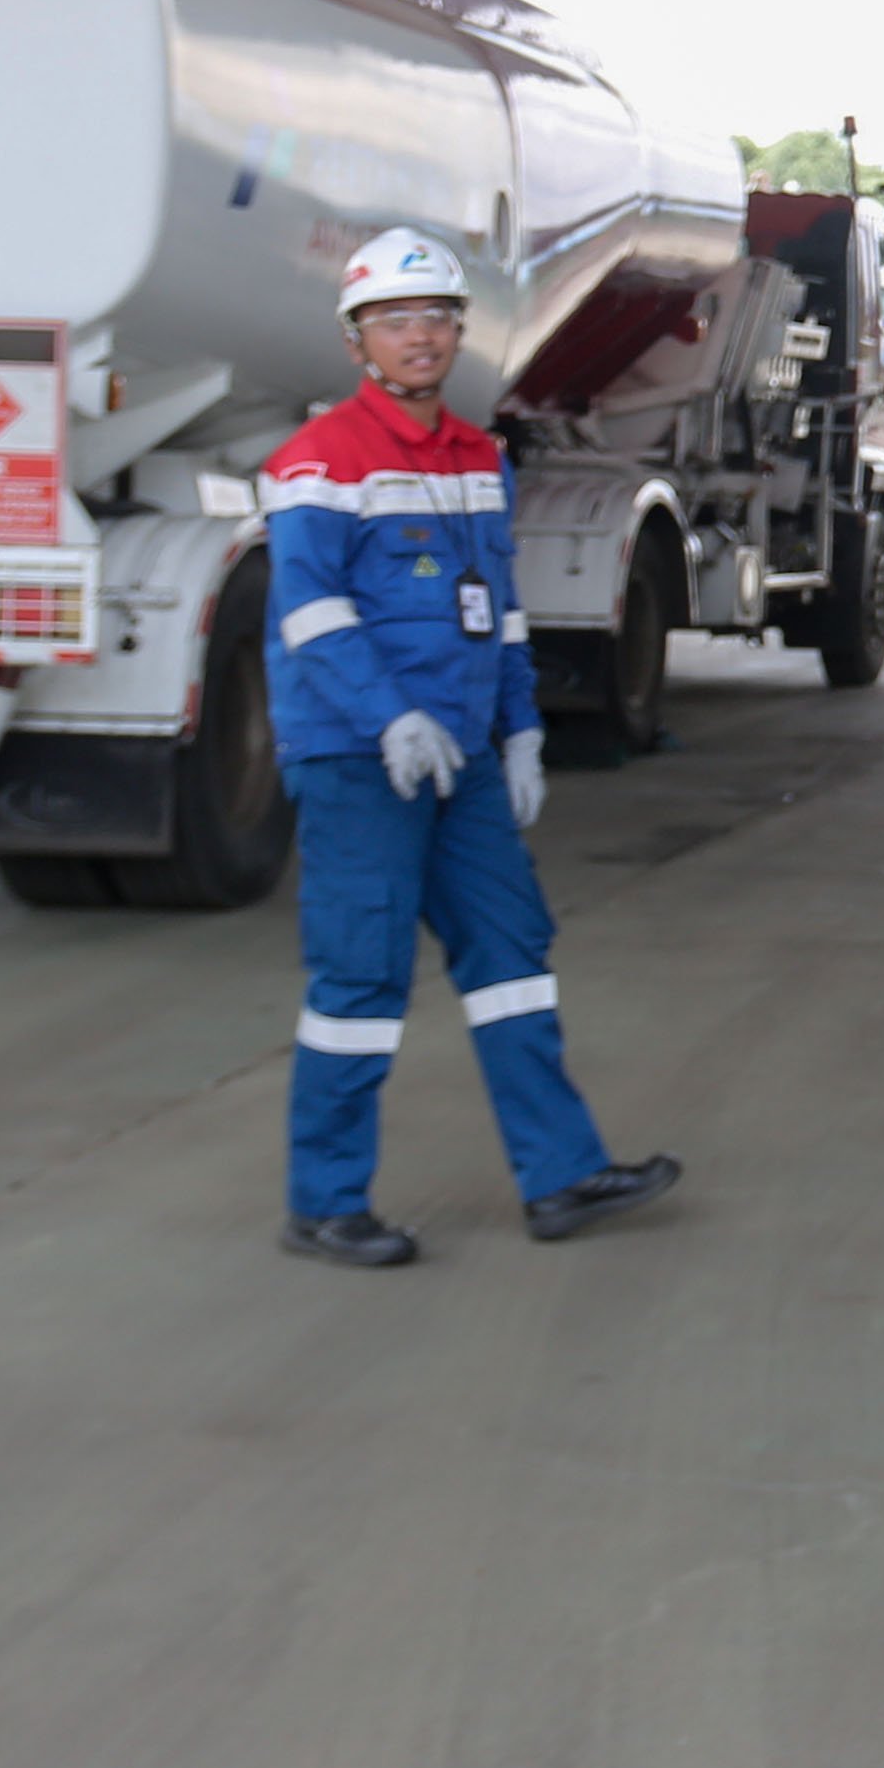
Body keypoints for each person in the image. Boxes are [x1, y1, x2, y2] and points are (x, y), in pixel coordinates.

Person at [263, 228, 681, 1268]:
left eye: (435, 319)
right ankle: (324, 1203)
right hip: (362, 759)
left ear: (458, 334)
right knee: (360, 979)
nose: (419, 336)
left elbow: (492, 610)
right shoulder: (318, 462)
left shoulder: (477, 460)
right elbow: (310, 610)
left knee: (511, 957)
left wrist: (522, 725)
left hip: (463, 757)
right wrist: (384, 717)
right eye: (395, 321)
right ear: (359, 339)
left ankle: (563, 1175)